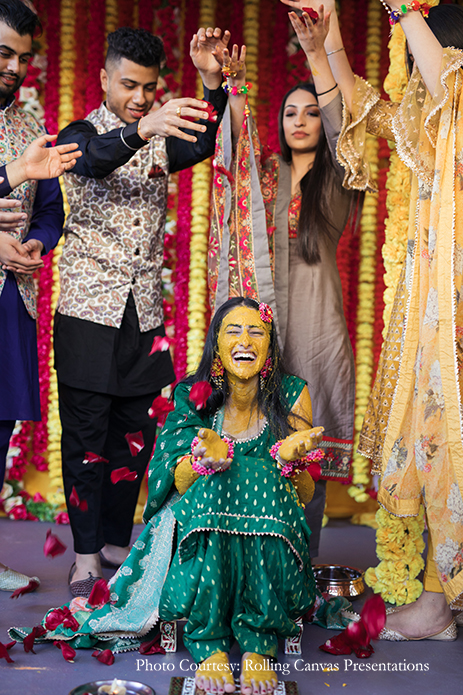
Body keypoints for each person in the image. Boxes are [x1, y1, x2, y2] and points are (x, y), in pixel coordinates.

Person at [12, 298, 356, 691]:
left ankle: (258, 645)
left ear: (270, 345)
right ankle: (209, 645)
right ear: (216, 343)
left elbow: (304, 494)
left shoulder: (293, 393)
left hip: (270, 528)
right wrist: (202, 463)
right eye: (234, 331)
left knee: (264, 484)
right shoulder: (192, 394)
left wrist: (291, 462)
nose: (245, 340)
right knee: (213, 486)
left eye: (256, 331)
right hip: (202, 522)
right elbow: (172, 481)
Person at [288, 0, 463, 639]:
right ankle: (441, 602)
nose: (415, 85)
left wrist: (401, 6)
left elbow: (445, 86)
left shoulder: (453, 102)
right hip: (432, 308)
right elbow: (362, 111)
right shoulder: (430, 117)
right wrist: (322, 43)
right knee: (432, 436)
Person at [54, 26, 229, 597]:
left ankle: (109, 542)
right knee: (86, 441)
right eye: (128, 85)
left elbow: (203, 141)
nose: (139, 97)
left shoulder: (160, 133)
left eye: (148, 89)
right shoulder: (79, 134)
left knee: (136, 437)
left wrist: (209, 80)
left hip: (143, 318)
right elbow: (96, 159)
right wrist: (140, 129)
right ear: (104, 79)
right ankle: (83, 558)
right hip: (86, 314)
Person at [208, 15, 357, 558]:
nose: (300, 120)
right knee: (253, 429)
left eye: (312, 112)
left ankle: (303, 557)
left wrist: (321, 62)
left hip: (318, 323)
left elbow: (346, 129)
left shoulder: (339, 176)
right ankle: (252, 553)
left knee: (306, 438)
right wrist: (236, 89)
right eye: (290, 112)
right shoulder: (265, 172)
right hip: (264, 320)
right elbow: (232, 156)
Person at [0, 0, 80, 592]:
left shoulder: (31, 126)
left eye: (23, 58)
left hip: (11, 301)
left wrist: (35, 244)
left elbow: (49, 212)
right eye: (4, 52)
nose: (13, 67)